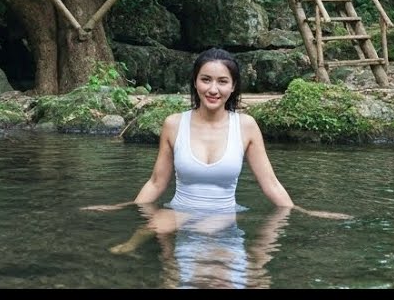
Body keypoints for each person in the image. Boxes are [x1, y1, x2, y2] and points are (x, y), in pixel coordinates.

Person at [83, 48, 350, 287]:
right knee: (176, 275)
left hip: (224, 219)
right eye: (206, 79)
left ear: (233, 86)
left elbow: (270, 183)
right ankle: (139, 245)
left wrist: (302, 211)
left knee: (243, 280)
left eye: (223, 81)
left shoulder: (245, 126)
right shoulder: (174, 124)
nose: (213, 89)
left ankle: (249, 268)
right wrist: (125, 207)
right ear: (195, 82)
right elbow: (156, 182)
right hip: (179, 215)